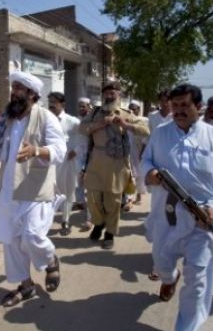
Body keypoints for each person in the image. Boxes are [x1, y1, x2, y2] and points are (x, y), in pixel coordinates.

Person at [141, 84, 213, 331]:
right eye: (176, 105)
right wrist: (151, 175)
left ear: (199, 106)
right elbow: (145, 161)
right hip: (166, 218)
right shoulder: (160, 134)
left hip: (202, 222)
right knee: (161, 265)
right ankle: (170, 278)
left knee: (197, 281)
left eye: (185, 105)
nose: (179, 111)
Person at [0, 71, 66, 307]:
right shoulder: (5, 119)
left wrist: (37, 151)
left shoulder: (46, 117)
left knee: (33, 236)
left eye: (18, 87)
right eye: (13, 87)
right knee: (11, 240)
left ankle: (50, 260)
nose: (13, 92)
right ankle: (25, 286)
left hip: (35, 188)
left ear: (31, 93)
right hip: (8, 189)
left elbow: (59, 149)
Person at [79, 81, 148, 250]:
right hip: (96, 160)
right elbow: (82, 128)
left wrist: (126, 125)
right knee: (93, 197)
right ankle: (99, 223)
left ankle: (109, 233)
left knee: (113, 201)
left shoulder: (125, 113)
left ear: (119, 95)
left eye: (113, 93)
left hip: (117, 163)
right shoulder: (95, 112)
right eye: (107, 93)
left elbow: (145, 130)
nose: (110, 96)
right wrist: (101, 124)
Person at [48, 91, 80, 236]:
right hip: (50, 163)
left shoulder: (72, 121)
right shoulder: (46, 120)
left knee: (67, 192)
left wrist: (76, 150)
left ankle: (65, 221)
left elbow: (84, 139)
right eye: (50, 101)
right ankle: (46, 221)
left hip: (68, 162)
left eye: (55, 101)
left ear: (63, 104)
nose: (51, 104)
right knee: (49, 193)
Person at [125, 100, 150, 209]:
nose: (132, 110)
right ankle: (129, 199)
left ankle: (139, 195)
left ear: (139, 110)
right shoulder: (125, 120)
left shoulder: (144, 121)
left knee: (140, 175)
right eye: (130, 108)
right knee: (129, 175)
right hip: (127, 152)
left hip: (140, 151)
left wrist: (143, 152)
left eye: (134, 108)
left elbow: (146, 138)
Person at [74, 97, 92, 229]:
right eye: (79, 106)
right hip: (77, 157)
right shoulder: (75, 121)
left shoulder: (93, 120)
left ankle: (90, 219)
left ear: (89, 107)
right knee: (78, 182)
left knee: (90, 188)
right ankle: (80, 202)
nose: (81, 108)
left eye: (83, 106)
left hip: (92, 157)